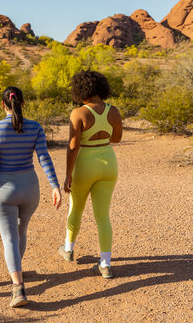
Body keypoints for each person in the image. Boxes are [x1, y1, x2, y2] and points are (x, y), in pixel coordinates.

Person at [0, 86, 62, 308]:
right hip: (30, 188)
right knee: (21, 232)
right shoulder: (35, 127)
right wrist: (55, 186)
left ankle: (18, 287)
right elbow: (44, 158)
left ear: (2, 104)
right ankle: (17, 269)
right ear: (23, 104)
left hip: (4, 190)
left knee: (9, 238)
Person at [58, 70, 122, 278]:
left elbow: (73, 147)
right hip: (108, 163)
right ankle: (105, 264)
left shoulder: (78, 113)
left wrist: (68, 174)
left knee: (76, 208)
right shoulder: (114, 111)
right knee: (103, 215)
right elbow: (117, 139)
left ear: (80, 89)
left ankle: (68, 250)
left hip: (85, 164)